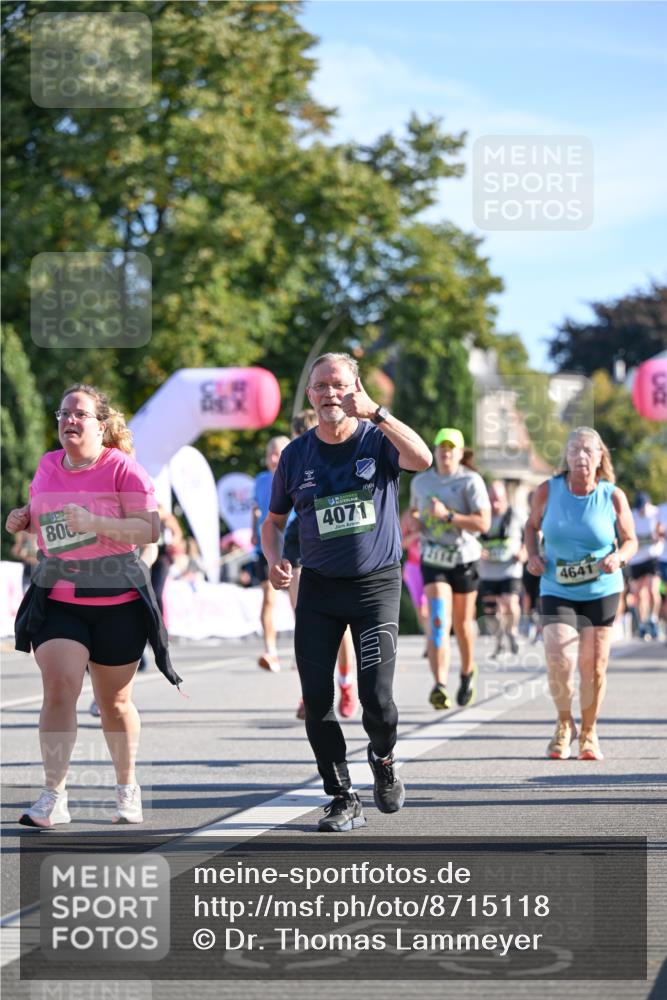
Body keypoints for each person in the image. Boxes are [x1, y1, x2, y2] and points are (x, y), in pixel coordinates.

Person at [262, 352, 431, 832]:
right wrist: (273, 559)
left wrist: (376, 411)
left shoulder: (378, 440)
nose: (329, 393)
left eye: (338, 384)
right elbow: (272, 523)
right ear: (310, 395)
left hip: (375, 585)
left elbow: (422, 458)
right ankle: (341, 796)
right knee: (316, 699)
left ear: (355, 387)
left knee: (377, 699)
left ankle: (383, 758)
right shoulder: (296, 455)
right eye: (320, 386)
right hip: (317, 587)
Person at [7, 383, 181, 828]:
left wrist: (94, 522)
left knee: (114, 702)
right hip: (59, 598)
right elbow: (44, 509)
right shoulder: (48, 465)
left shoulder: (123, 469)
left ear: (101, 426)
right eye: (63, 412)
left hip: (117, 600)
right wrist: (24, 516)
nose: (68, 420)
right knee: (60, 686)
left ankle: (126, 785)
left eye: (79, 414)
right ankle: (54, 795)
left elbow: (149, 530)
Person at [525, 426, 637, 761]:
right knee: (559, 657)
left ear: (601, 456)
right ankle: (564, 723)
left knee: (594, 666)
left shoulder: (612, 495)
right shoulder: (548, 490)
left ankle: (589, 731)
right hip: (557, 585)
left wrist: (619, 557)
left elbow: (631, 540)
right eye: (574, 449)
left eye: (588, 450)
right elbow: (531, 526)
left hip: (601, 588)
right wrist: (533, 555)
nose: (581, 456)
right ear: (566, 456)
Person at [409, 429, 491, 711]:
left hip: (464, 557)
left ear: (460, 453)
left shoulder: (470, 481)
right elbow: (415, 515)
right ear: (434, 451)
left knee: (463, 624)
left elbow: (484, 524)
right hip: (434, 557)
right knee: (438, 620)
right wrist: (416, 520)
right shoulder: (421, 482)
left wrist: (448, 516)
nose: (445, 453)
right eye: (441, 448)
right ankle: (439, 685)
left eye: (451, 448)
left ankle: (468, 672)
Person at [288, 410, 358, 722]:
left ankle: (345, 683)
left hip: (324, 544)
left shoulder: (329, 458)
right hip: (297, 543)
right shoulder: (291, 461)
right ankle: (310, 689)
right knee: (306, 626)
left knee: (338, 627)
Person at [252, 435, 291, 671]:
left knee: (301, 603)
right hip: (266, 547)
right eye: (271, 454)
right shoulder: (260, 480)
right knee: (268, 598)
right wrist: (252, 530)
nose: (274, 458)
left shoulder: (296, 474)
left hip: (295, 545)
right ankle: (270, 651)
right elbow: (257, 510)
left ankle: (304, 653)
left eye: (279, 453)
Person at [478, 480, 526, 657]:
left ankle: (512, 631)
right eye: (491, 500)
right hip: (488, 572)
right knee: (490, 611)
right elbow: (468, 536)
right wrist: (477, 549)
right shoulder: (482, 515)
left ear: (506, 498)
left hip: (510, 569)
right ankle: (499, 641)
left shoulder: (517, 515)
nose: (495, 504)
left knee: (510, 602)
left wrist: (525, 552)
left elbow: (533, 533)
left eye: (498, 499)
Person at [628, 492, 663, 640]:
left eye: (643, 507)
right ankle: (643, 624)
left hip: (652, 556)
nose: (642, 511)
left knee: (653, 590)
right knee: (639, 594)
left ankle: (654, 619)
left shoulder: (656, 512)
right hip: (636, 559)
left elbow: (661, 530)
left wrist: (658, 534)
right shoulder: (632, 515)